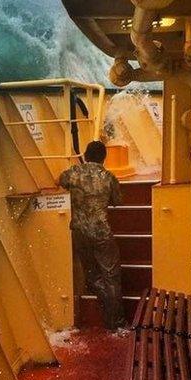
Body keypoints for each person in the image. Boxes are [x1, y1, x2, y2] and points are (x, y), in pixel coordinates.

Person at [59, 140, 125, 329]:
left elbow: (59, 181)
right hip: (101, 232)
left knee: (91, 275)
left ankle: (105, 304)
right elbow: (118, 202)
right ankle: (116, 324)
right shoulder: (109, 177)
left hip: (79, 231)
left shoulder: (73, 173)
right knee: (111, 276)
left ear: (86, 156)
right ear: (104, 158)